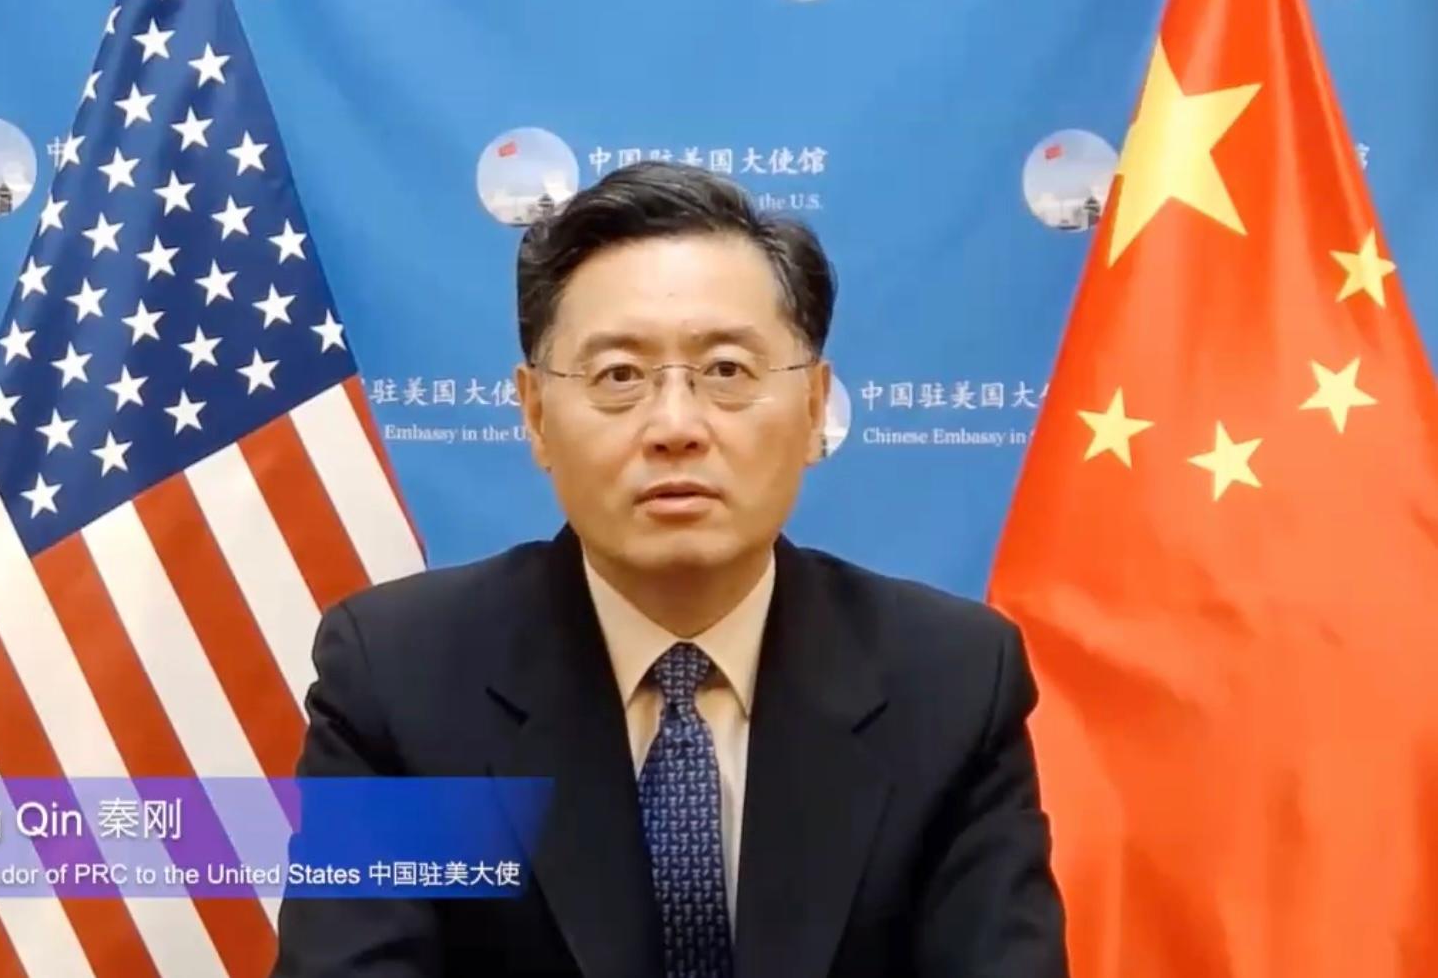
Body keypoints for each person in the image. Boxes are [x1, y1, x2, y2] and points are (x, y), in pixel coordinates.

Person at [273, 162, 1069, 977]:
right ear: (536, 414)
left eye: (726, 370)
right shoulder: (403, 681)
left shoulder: (947, 682)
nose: (675, 425)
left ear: (812, 407)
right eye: (619, 375)